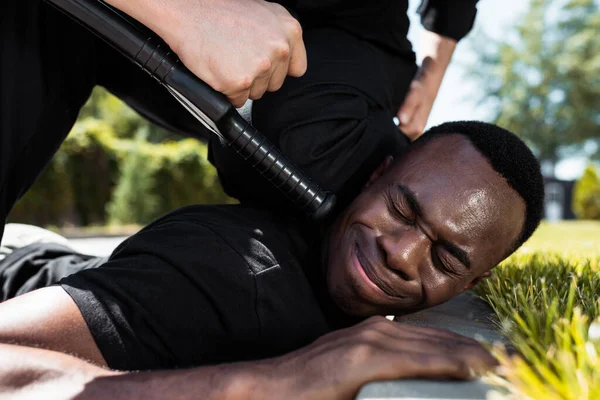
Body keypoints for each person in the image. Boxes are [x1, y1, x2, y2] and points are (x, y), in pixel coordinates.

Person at [0, 121, 545, 399]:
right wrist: (277, 380)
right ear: (376, 177)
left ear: (479, 279)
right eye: (402, 208)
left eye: (446, 258)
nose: (402, 255)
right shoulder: (223, 271)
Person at [1, 0, 478, 239]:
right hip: (147, 15)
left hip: (337, 37)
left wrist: (433, 72)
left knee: (314, 155)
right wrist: (187, 14)